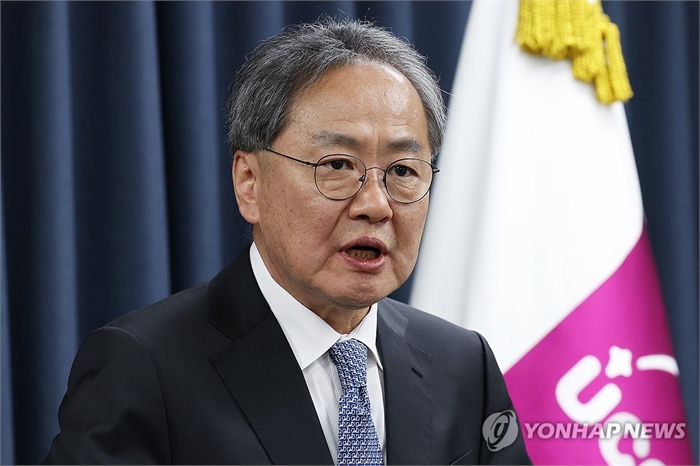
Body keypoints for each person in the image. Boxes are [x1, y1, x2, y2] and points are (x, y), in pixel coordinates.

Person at [43, 18, 531, 464]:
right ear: (249, 183)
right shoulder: (143, 369)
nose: (376, 205)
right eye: (337, 165)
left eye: (403, 171)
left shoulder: (463, 364)